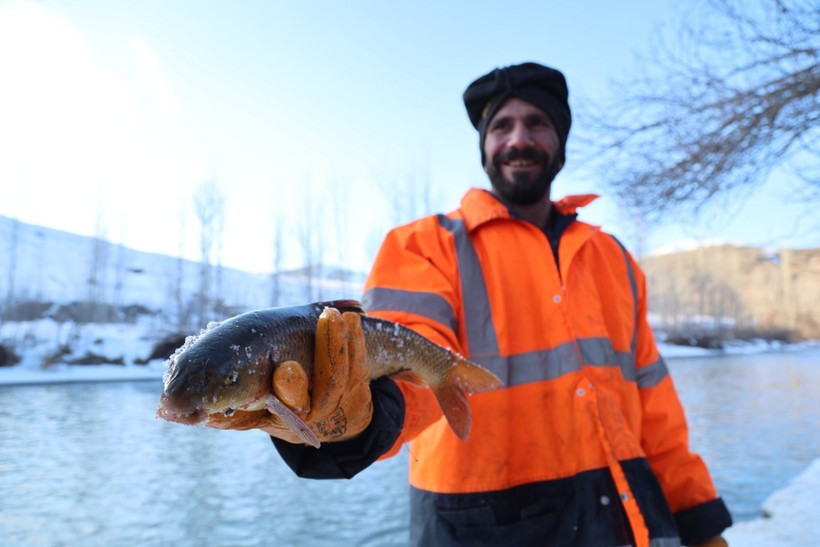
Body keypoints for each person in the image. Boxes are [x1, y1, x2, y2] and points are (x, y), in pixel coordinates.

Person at [215, 62, 734, 546]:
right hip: (484, 527)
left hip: (633, 519)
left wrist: (700, 517)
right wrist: (362, 417)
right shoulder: (423, 245)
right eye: (501, 126)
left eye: (536, 123)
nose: (519, 139)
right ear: (484, 147)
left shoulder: (613, 257)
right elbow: (409, 347)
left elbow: (658, 410)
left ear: (561, 140)